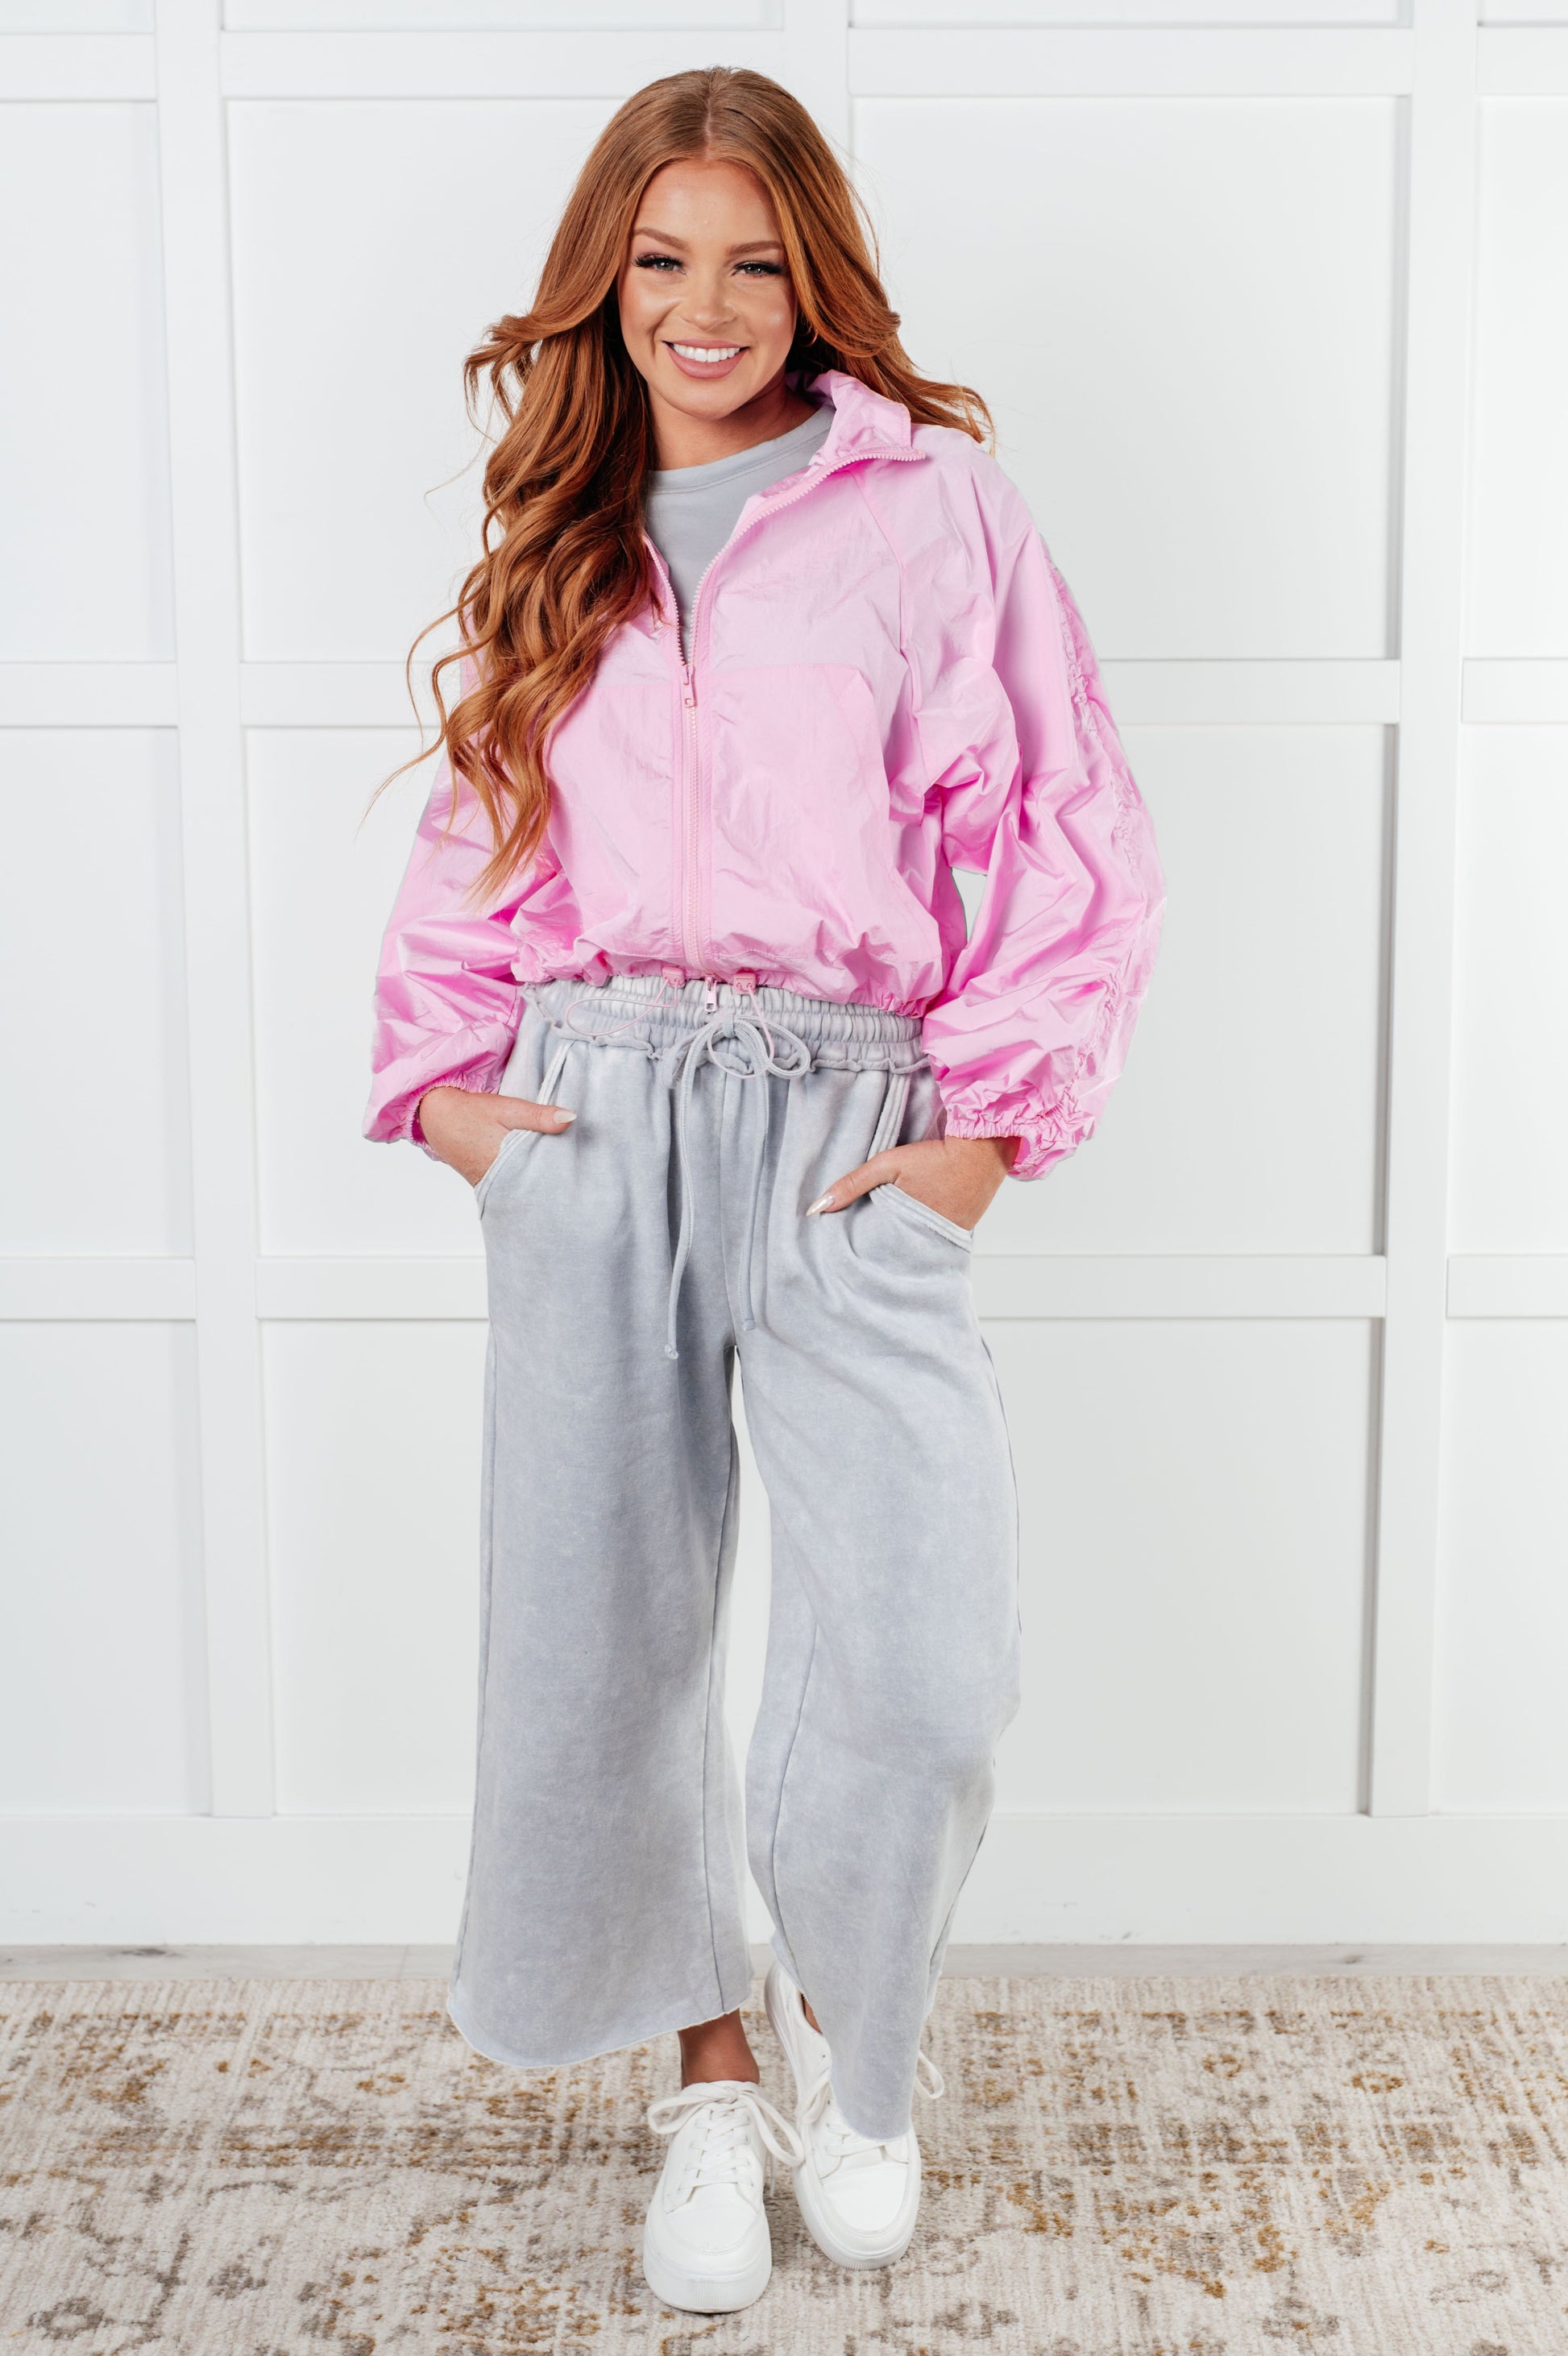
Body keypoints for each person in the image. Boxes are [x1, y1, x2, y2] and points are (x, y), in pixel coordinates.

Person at [363, 63, 1164, 2318]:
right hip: (595, 1110)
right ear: (602, 278)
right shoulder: (567, 522)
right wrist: (455, 1105)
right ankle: (708, 2073)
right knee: (599, 1643)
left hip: (849, 1127)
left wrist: (972, 1148)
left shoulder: (929, 509)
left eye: (748, 261)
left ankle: (854, 2044)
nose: (701, 307)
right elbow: (482, 833)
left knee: (925, 1661)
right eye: (657, 261)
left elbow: (1067, 827)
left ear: (812, 279)